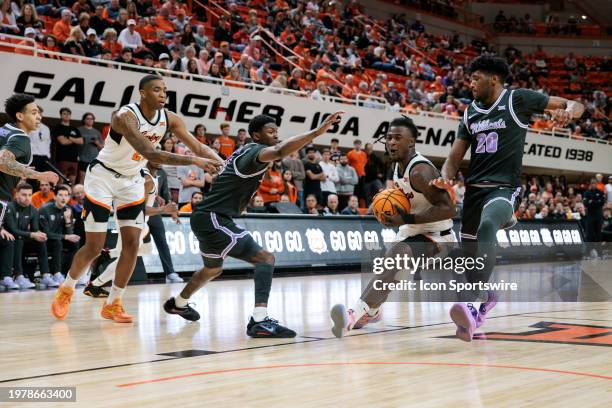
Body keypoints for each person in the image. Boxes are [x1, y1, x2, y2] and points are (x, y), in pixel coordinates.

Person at [432, 55, 584, 342]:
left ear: (493, 79)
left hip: (503, 188)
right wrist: (446, 176)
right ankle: (486, 297)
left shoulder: (517, 100)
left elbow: (574, 105)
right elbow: (453, 158)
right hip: (474, 192)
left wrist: (568, 111)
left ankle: (473, 305)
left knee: (488, 225)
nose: (471, 83)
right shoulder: (470, 113)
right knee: (471, 261)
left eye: (476, 78)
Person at [51, 75, 224, 323]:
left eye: (165, 90)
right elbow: (150, 152)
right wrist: (195, 161)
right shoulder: (124, 116)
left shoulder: (170, 119)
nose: (163, 94)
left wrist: (225, 164)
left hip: (132, 180)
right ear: (142, 93)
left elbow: (199, 147)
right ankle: (66, 289)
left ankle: (113, 303)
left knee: (132, 244)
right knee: (95, 247)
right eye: (157, 90)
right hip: (102, 177)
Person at [163, 111, 344, 338]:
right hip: (213, 218)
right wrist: (317, 132)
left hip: (208, 218)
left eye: (277, 132)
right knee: (265, 259)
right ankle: (260, 320)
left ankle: (178, 303)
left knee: (213, 268)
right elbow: (279, 151)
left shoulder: (243, 151)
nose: (276, 136)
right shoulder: (256, 152)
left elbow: (204, 150)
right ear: (256, 136)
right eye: (270, 132)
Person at [331, 116, 456, 338]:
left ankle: (352, 315)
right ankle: (371, 311)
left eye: (398, 138)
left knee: (396, 259)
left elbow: (448, 209)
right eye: (389, 138)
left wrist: (407, 218)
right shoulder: (397, 168)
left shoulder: (420, 171)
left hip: (439, 236)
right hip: (412, 231)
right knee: (389, 272)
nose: (391, 142)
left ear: (411, 142)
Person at [84, 161, 180, 298]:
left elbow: (143, 197)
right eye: (156, 156)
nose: (160, 159)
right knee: (127, 258)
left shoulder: (150, 177)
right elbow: (139, 209)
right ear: (147, 158)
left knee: (145, 249)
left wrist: (155, 197)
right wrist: (163, 210)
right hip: (133, 220)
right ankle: (94, 285)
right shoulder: (147, 180)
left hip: (137, 221)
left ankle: (106, 255)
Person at [0, 94, 59, 231]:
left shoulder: (4, 129)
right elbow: (2, 162)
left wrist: (21, 169)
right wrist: (40, 175)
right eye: (34, 113)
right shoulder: (21, 138)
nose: (39, 117)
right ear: (20, 116)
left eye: (38, 112)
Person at [2, 183, 47, 289]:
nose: (27, 198)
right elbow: (12, 230)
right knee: (18, 239)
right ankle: (18, 276)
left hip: (22, 238)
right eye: (24, 195)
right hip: (9, 238)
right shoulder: (10, 207)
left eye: (29, 195)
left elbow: (34, 230)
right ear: (16, 194)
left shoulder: (33, 210)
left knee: (41, 241)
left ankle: (46, 275)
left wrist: (39, 234)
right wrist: (32, 234)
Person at [39, 185, 81, 285]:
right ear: (54, 196)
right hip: (46, 240)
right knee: (57, 243)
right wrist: (66, 237)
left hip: (60, 239)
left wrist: (67, 221)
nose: (63, 198)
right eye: (61, 195)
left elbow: (69, 233)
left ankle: (70, 274)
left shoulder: (68, 209)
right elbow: (46, 233)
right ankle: (56, 274)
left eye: (66, 195)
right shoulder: (45, 209)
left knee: (75, 244)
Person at [52, 107, 83, 185]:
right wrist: (75, 140)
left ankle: (71, 197)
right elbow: (62, 142)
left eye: (68, 114)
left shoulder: (74, 129)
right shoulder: (57, 128)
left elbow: (81, 141)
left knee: (72, 181)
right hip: (62, 159)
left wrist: (69, 138)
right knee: (61, 180)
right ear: (61, 115)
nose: (66, 116)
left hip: (74, 159)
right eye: (64, 114)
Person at [77, 112, 103, 184]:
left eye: (91, 119)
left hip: (94, 159)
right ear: (84, 120)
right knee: (82, 179)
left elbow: (102, 148)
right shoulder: (79, 130)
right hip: (82, 158)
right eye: (88, 119)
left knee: (93, 180)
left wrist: (97, 142)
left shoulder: (97, 132)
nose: (90, 120)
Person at [583, 178, 605, 242]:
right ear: (590, 184)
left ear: (596, 184)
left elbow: (602, 203)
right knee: (589, 234)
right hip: (590, 216)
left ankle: (598, 250)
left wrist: (592, 202)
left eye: (594, 183)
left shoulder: (600, 192)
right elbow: (585, 203)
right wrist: (597, 202)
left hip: (599, 216)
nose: (593, 184)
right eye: (592, 183)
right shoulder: (587, 193)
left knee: (598, 234)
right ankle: (589, 250)